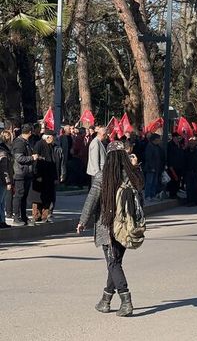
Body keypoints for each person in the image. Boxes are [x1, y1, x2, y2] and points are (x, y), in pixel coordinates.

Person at [76, 140, 143, 317]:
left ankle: (126, 301)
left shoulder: (102, 176)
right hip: (127, 225)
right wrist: (135, 167)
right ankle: (105, 300)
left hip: (108, 226)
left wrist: (82, 221)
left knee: (113, 263)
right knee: (115, 263)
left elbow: (91, 200)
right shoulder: (132, 174)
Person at [29, 130, 60, 223]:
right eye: (53, 137)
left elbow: (53, 161)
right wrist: (37, 174)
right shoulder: (39, 144)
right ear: (48, 137)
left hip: (49, 176)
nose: (54, 139)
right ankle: (36, 215)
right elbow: (36, 160)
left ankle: (44, 216)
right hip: (40, 175)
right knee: (37, 197)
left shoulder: (51, 146)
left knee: (47, 197)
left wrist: (55, 176)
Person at [11, 124, 39, 226]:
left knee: (24, 196)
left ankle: (23, 217)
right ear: (30, 132)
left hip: (26, 173)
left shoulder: (25, 142)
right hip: (20, 173)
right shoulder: (19, 143)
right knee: (19, 195)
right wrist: (32, 158)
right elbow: (19, 158)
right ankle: (16, 217)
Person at [0, 130, 14, 228]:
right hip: (2, 180)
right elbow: (4, 169)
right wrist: (8, 181)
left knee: (2, 202)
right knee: (1, 201)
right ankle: (1, 221)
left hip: (3, 180)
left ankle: (2, 220)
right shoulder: (3, 151)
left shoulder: (5, 150)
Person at [143, 133, 162, 201]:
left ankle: (152, 194)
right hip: (150, 168)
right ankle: (147, 195)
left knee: (154, 182)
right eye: (158, 140)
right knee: (149, 182)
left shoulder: (156, 147)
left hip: (156, 167)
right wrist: (152, 167)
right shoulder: (149, 146)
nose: (159, 141)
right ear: (154, 140)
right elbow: (148, 158)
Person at [166, 133, 184, 199]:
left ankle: (175, 193)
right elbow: (170, 156)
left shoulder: (179, 145)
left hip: (179, 165)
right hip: (173, 166)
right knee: (173, 180)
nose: (178, 139)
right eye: (177, 138)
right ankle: (172, 194)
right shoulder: (170, 145)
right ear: (174, 138)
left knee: (178, 180)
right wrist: (170, 166)